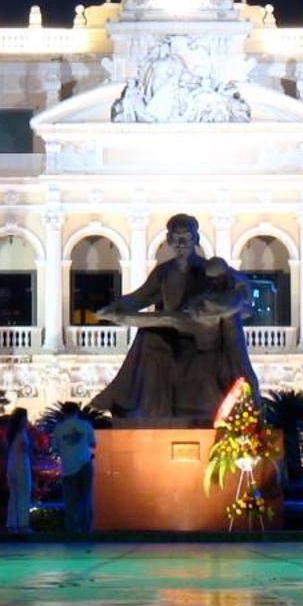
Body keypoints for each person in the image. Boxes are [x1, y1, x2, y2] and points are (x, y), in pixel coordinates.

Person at [89, 214, 259, 421]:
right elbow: (139, 297)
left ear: (196, 239)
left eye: (186, 237)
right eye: (175, 238)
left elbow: (239, 293)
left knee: (152, 333)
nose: (180, 244)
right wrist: (115, 307)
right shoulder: (164, 272)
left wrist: (234, 297)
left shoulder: (210, 271)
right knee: (148, 337)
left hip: (203, 336)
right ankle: (140, 410)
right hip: (174, 332)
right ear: (168, 240)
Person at [49, 409, 96, 534]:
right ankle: (86, 528)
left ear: (64, 412)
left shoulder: (59, 428)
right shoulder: (85, 425)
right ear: (77, 412)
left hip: (68, 468)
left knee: (70, 500)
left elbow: (54, 449)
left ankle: (72, 529)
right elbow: (93, 443)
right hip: (85, 464)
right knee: (86, 498)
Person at [1, 407, 34, 534]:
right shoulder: (22, 433)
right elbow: (26, 450)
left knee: (14, 496)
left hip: (12, 465)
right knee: (23, 495)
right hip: (22, 466)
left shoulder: (11, 434)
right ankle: (22, 525)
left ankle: (12, 524)